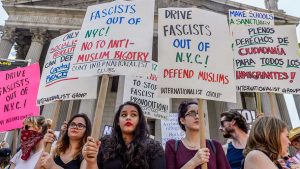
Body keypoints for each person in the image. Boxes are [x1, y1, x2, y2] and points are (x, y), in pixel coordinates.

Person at [82, 101, 166, 169]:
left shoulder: (154, 148)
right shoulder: (104, 144)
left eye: (133, 115)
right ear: (118, 122)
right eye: (123, 115)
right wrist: (91, 162)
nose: (128, 117)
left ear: (139, 121)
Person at [165, 100, 230, 169]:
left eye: (201, 114)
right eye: (192, 113)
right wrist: (194, 162)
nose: (197, 116)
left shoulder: (215, 146)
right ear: (182, 120)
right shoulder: (172, 146)